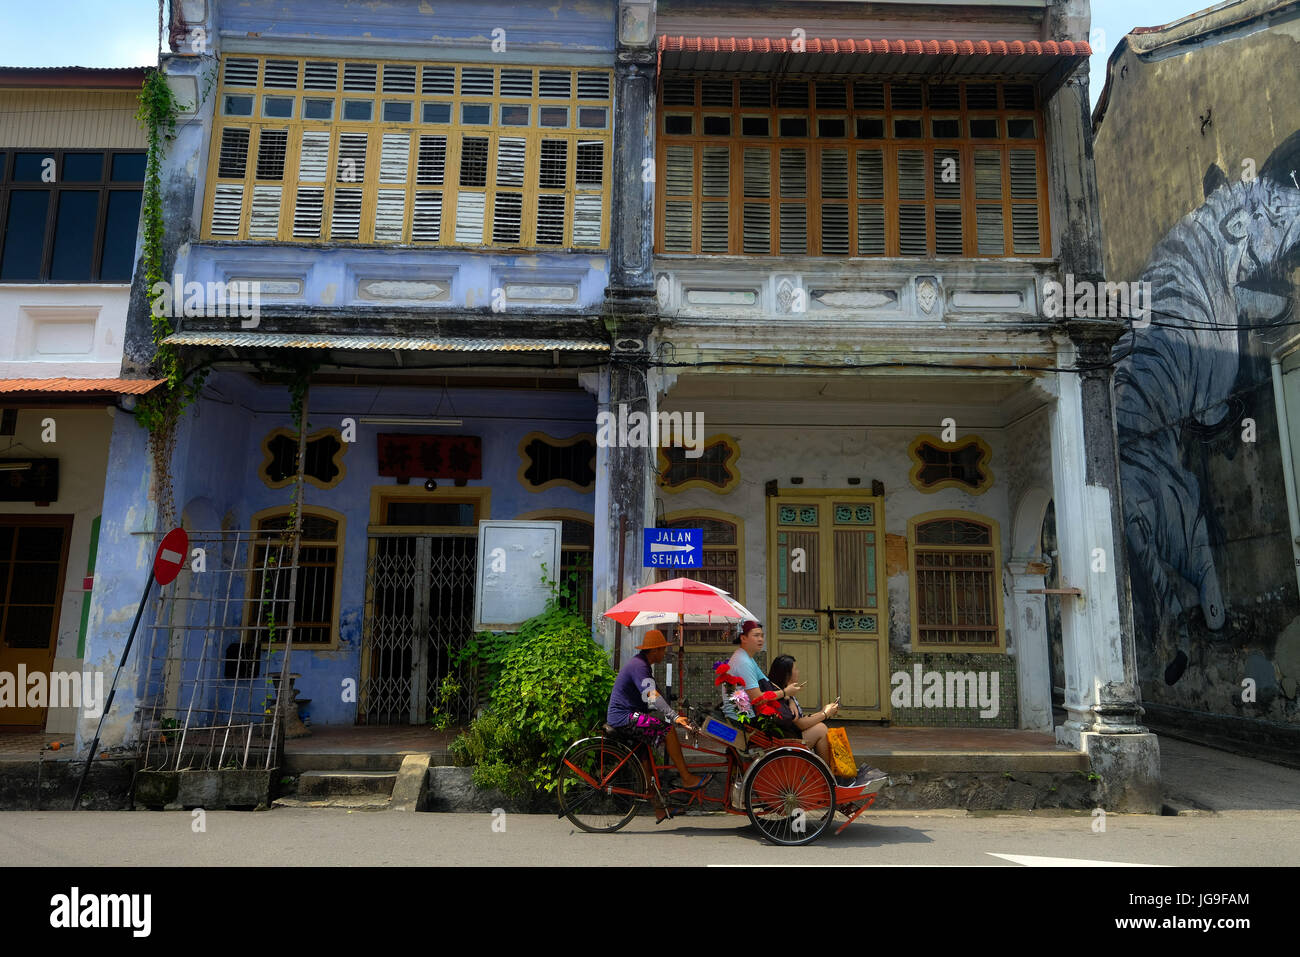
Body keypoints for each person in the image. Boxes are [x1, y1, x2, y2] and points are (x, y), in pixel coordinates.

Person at [607, 629, 713, 822]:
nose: (664, 653)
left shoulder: (643, 665)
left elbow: (653, 694)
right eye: (662, 649)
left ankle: (659, 808)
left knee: (647, 764)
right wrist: (673, 717)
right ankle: (687, 778)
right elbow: (651, 695)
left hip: (629, 715)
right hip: (625, 717)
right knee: (668, 730)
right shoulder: (639, 666)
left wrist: (674, 710)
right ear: (654, 650)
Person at [766, 653, 841, 770]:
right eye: (795, 669)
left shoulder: (786, 692)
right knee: (821, 730)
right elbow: (799, 724)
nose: (798, 671)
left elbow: (801, 719)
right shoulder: (781, 694)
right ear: (787, 675)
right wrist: (825, 714)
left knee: (820, 726)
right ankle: (826, 773)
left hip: (791, 733)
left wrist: (825, 711)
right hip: (787, 740)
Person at [722, 620, 803, 720]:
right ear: (743, 638)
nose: (760, 639)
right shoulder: (743, 662)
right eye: (756, 635)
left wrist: (789, 699)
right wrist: (785, 692)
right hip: (742, 719)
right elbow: (757, 699)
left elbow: (769, 685)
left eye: (762, 636)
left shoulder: (746, 657)